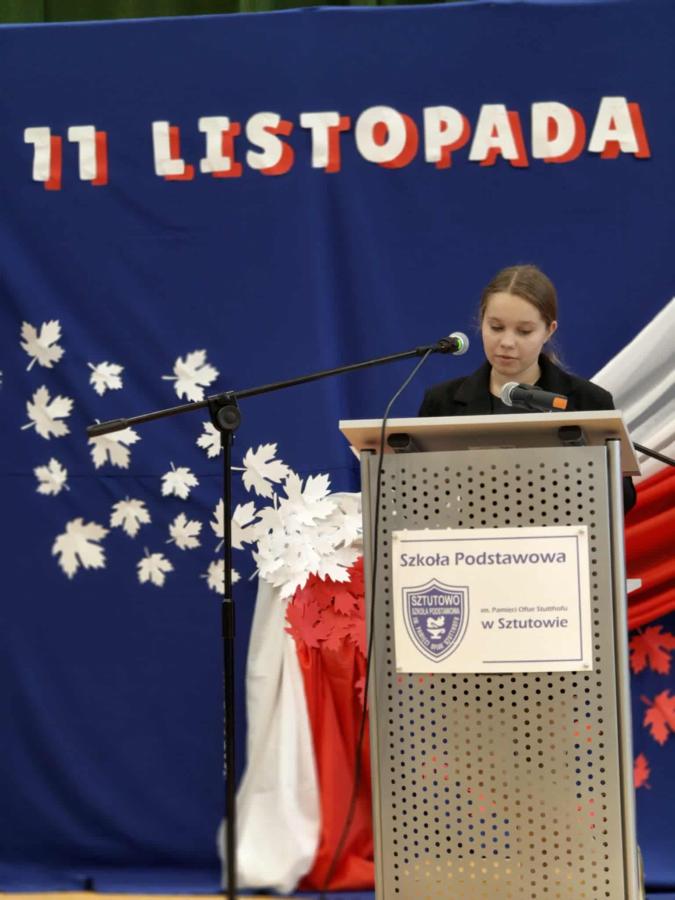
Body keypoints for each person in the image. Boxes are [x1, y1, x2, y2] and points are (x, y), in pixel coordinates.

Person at [418, 264, 636, 510]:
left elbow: (622, 500)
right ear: (481, 321)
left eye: (524, 331)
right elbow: (419, 492)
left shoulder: (588, 402)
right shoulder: (442, 402)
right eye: (496, 327)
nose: (507, 342)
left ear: (549, 331)